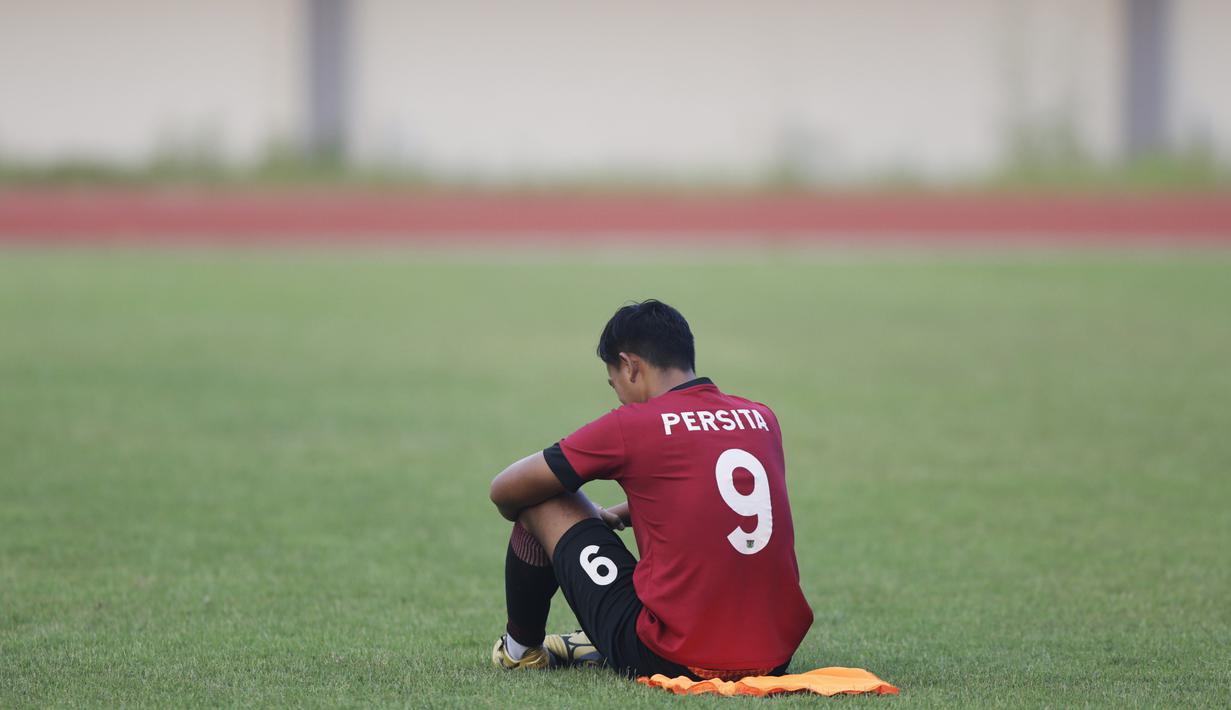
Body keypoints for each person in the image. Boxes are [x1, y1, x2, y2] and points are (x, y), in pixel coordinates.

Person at [489, 299, 813, 680]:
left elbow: (506, 489)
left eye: (615, 384)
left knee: (546, 498)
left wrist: (580, 519)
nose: (619, 396)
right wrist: (616, 514)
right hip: (775, 657)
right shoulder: (761, 417)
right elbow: (714, 493)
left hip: (676, 658)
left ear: (630, 366)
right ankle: (596, 638)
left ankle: (519, 650)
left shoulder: (634, 424)